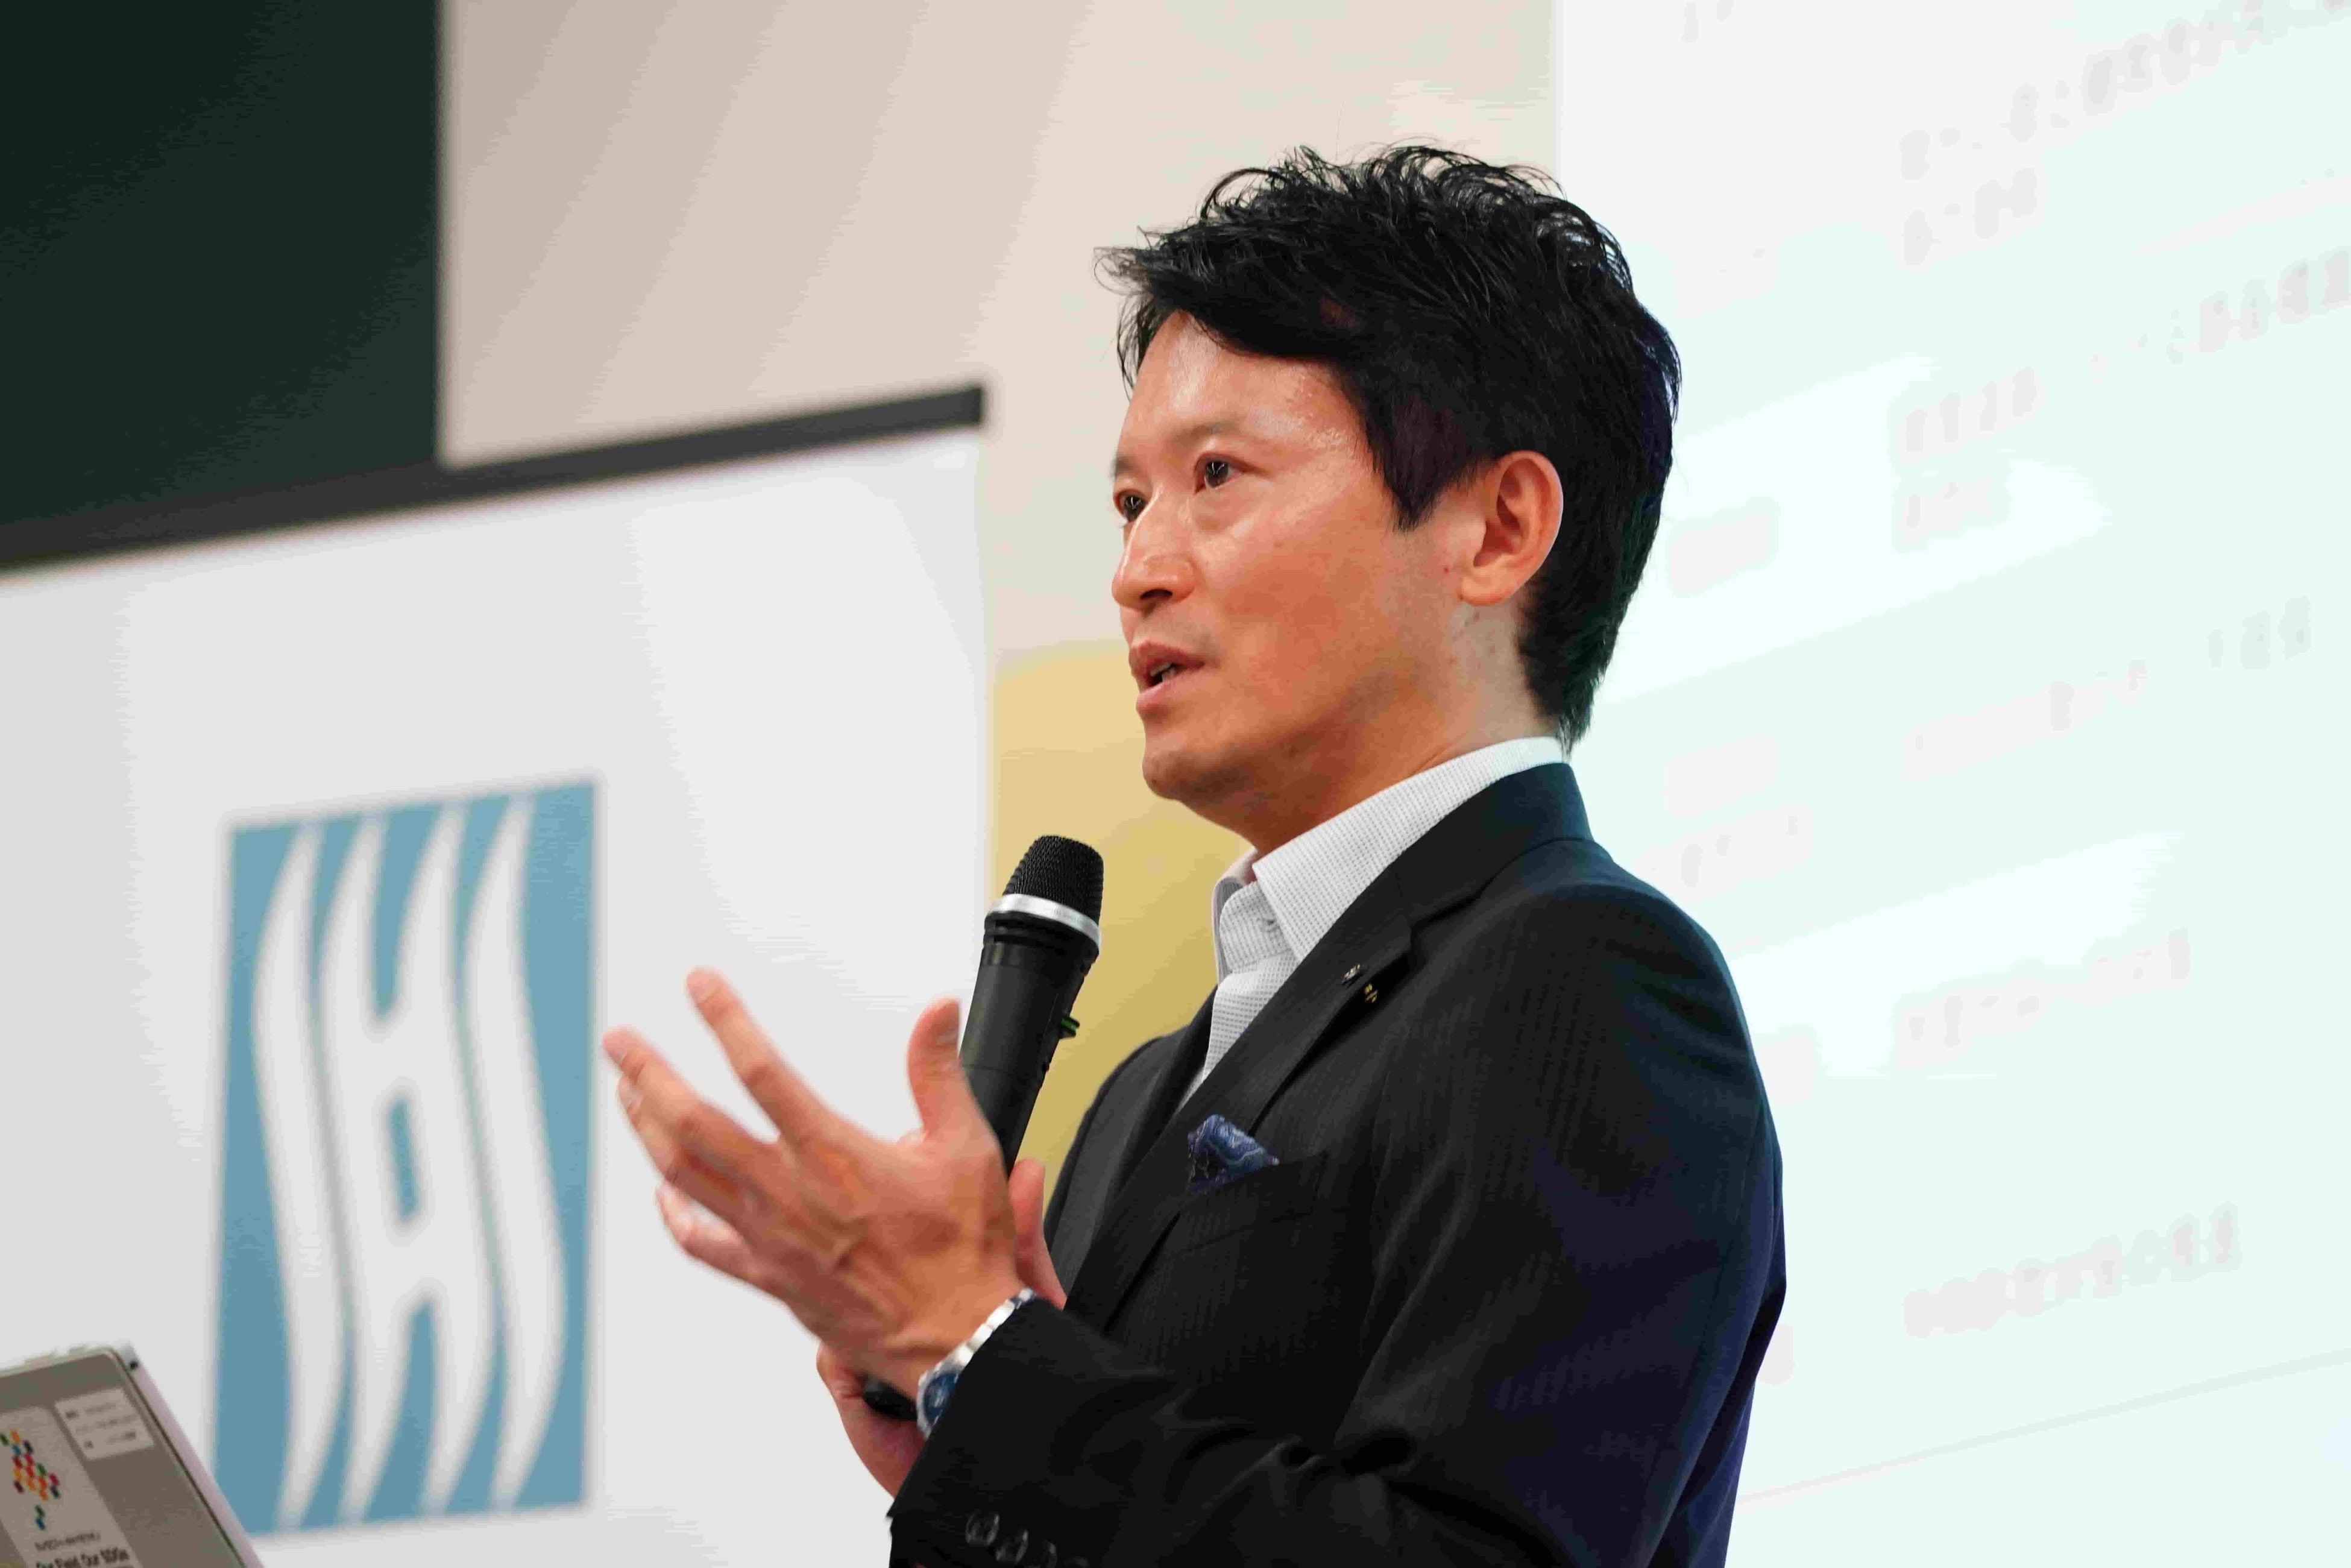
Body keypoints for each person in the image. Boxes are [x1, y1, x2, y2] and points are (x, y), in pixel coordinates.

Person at [603, 145, 1786, 1567]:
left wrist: (982, 1353)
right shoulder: (1139, 1094)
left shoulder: (1585, 978)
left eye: (1217, 475)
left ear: (1498, 526)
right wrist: (966, 1450)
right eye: (1128, 503)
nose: (1138, 568)